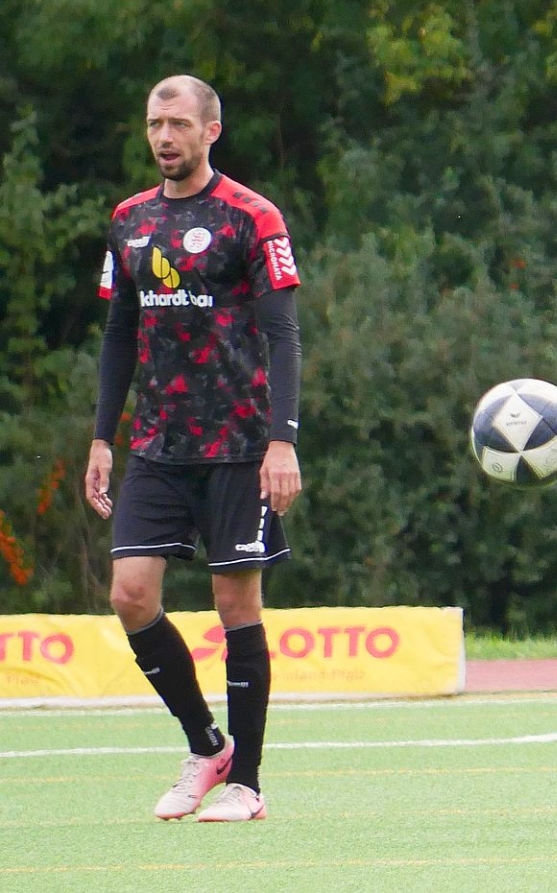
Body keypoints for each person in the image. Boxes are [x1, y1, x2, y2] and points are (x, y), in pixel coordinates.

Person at [85, 76, 304, 823]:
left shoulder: (252, 216)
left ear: (212, 130)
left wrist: (282, 441)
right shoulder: (129, 220)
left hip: (240, 445)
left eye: (178, 123)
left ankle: (247, 782)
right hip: (158, 443)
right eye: (155, 123)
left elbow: (283, 336)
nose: (164, 137)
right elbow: (119, 336)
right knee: (130, 594)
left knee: (235, 602)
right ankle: (206, 746)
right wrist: (102, 438)